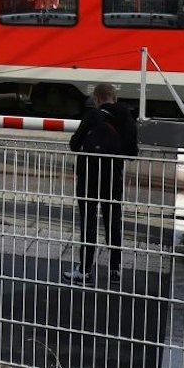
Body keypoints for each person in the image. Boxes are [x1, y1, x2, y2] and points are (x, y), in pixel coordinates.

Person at [67, 82, 138, 283]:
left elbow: (74, 145)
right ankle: (115, 270)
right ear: (115, 98)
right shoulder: (126, 117)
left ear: (97, 99)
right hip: (113, 177)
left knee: (89, 222)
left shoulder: (92, 115)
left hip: (89, 175)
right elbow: (131, 153)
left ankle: (85, 270)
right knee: (113, 222)